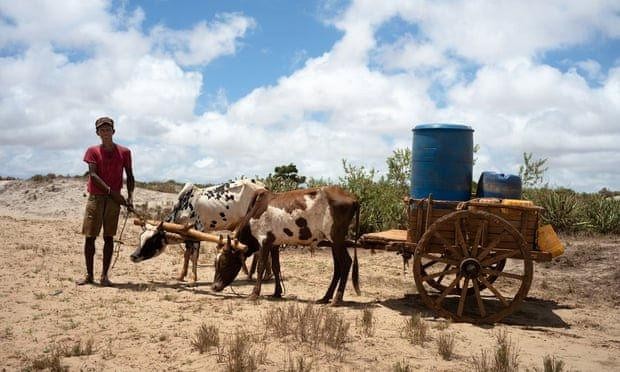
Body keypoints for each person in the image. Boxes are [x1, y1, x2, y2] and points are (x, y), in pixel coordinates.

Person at [77, 116, 134, 286]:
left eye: (108, 129)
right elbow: (93, 175)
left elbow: (130, 175)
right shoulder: (92, 151)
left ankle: (104, 276)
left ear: (113, 131)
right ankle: (89, 275)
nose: (105, 132)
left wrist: (129, 197)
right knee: (90, 237)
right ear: (97, 133)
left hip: (113, 202)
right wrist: (112, 192)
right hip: (96, 198)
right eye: (102, 130)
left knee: (109, 237)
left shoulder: (124, 152)